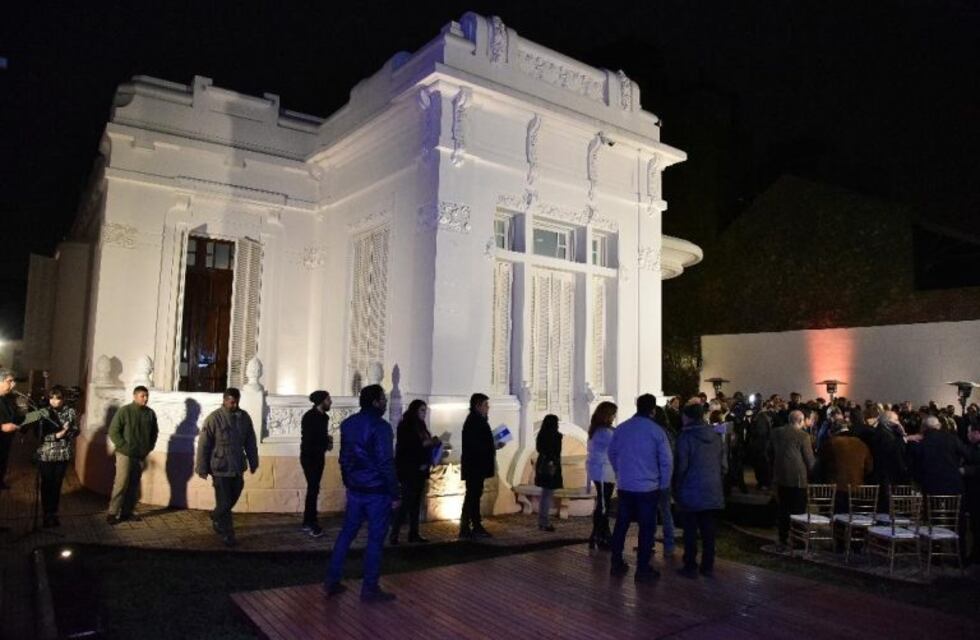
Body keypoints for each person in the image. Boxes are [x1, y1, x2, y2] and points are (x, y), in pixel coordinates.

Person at [326, 384, 400, 602]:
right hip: (376, 491)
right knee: (375, 540)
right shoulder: (381, 427)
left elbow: (344, 458)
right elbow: (385, 462)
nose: (385, 403)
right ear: (375, 402)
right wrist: (394, 492)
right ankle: (370, 588)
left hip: (356, 489)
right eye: (383, 399)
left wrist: (349, 481)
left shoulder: (349, 424)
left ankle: (332, 580)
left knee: (346, 534)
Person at [607, 394, 673, 582]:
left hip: (626, 485)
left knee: (621, 525)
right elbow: (666, 461)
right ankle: (642, 568)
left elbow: (612, 452)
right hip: (648, 487)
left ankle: (616, 562)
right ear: (653, 410)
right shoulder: (656, 431)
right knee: (646, 528)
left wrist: (620, 471)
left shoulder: (622, 428)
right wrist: (664, 484)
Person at [195, 388, 258, 547]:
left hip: (237, 465)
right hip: (220, 467)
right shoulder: (214, 418)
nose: (234, 405)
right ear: (224, 400)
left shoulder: (244, 417)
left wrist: (253, 461)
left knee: (233, 496)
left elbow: (250, 441)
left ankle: (216, 515)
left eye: (236, 402)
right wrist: (202, 467)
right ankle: (228, 534)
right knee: (225, 501)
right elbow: (204, 444)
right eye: (231, 402)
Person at [674, 403, 726, 578]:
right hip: (712, 488)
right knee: (708, 530)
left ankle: (690, 564)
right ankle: (708, 565)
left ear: (687, 417)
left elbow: (682, 466)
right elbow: (724, 465)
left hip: (691, 488)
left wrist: (678, 486)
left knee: (690, 530)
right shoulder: (717, 436)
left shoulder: (685, 437)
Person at [27, 386, 80, 527]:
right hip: (47, 454)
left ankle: (53, 513)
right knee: (46, 484)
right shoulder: (43, 412)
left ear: (63, 399)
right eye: (52, 398)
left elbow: (76, 430)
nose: (54, 401)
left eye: (58, 398)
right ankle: (46, 514)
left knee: (57, 485)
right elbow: (38, 434)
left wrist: (70, 431)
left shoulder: (70, 411)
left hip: (62, 454)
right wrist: (57, 435)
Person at [107, 385, 159, 524]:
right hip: (125, 454)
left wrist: (149, 447)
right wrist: (124, 447)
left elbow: (154, 432)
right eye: (142, 396)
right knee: (121, 483)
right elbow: (113, 431)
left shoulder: (150, 413)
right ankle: (112, 512)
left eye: (147, 396)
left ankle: (127, 511)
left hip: (140, 455)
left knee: (134, 484)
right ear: (135, 396)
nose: (145, 399)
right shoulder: (125, 411)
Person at [391, 399, 439, 544]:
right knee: (406, 502)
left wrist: (432, 444)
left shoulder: (421, 425)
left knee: (416, 504)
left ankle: (414, 533)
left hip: (421, 470)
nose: (424, 413)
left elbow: (424, 444)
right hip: (409, 470)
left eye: (425, 410)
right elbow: (409, 447)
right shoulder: (406, 425)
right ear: (414, 410)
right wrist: (426, 443)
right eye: (422, 410)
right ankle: (394, 534)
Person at [768, 410, 816, 548]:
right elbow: (809, 460)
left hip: (780, 476)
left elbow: (769, 452)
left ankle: (782, 537)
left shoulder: (776, 433)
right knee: (798, 510)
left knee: (783, 508)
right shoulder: (803, 436)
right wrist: (814, 474)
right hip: (798, 479)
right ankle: (798, 540)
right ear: (800, 421)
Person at [459, 393, 500, 539]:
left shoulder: (478, 420)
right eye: (485, 405)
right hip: (475, 466)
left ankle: (474, 525)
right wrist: (492, 446)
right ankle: (467, 527)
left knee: (474, 495)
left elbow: (482, 443)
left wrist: (493, 446)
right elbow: (476, 445)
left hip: (477, 465)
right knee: (472, 496)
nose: (488, 407)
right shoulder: (474, 422)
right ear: (477, 406)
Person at [818, 419, 873, 515]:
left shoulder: (831, 443)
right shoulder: (861, 443)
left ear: (833, 431)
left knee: (835, 516)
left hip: (835, 490)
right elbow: (869, 467)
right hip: (856, 489)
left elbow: (821, 466)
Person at [300, 390, 333, 538]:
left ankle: (308, 521)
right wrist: (325, 442)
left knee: (314, 488)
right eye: (328, 399)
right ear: (321, 401)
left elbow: (321, 437)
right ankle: (311, 523)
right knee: (313, 488)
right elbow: (309, 439)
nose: (330, 402)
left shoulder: (324, 417)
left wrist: (326, 441)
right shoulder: (310, 417)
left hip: (319, 457)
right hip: (310, 457)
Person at [586, 401, 618, 549]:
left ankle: (600, 534)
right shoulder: (605, 433)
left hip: (600, 471)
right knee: (604, 505)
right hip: (604, 471)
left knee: (602, 503)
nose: (614, 417)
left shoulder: (596, 430)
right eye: (613, 414)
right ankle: (600, 536)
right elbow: (617, 446)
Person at [0, 369, 29, 489]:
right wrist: (1, 427)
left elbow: (16, 418)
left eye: (14, 381)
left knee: (3, 462)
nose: (13, 384)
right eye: (10, 381)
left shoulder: (7, 399)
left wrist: (37, 414)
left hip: (5, 440)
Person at [534, 414, 563, 532]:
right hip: (551, 466)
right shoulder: (556, 436)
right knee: (547, 494)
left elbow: (539, 449)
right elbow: (556, 452)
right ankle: (544, 522)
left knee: (545, 494)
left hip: (542, 465)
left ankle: (542, 521)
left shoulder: (541, 435)